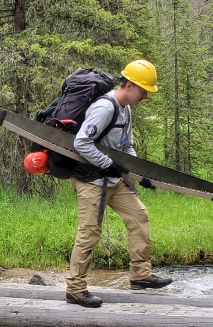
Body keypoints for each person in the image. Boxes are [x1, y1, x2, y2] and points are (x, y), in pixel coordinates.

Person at [65, 60, 173, 308]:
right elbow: (81, 143)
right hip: (91, 180)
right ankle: (75, 289)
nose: (146, 96)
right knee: (89, 232)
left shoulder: (126, 110)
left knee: (139, 217)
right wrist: (105, 163)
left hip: (114, 179)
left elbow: (126, 147)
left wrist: (137, 172)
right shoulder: (105, 107)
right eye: (144, 90)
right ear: (129, 85)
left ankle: (141, 275)